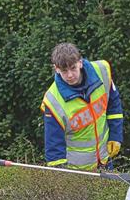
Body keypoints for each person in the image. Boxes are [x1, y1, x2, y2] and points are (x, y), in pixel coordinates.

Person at [41, 43, 124, 171]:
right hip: (77, 171)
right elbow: (54, 145)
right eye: (64, 71)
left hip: (105, 160)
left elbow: (114, 105)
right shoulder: (53, 101)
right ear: (56, 69)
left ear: (80, 62)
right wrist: (60, 177)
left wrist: (115, 136)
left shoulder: (102, 71)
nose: (70, 75)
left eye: (73, 68)